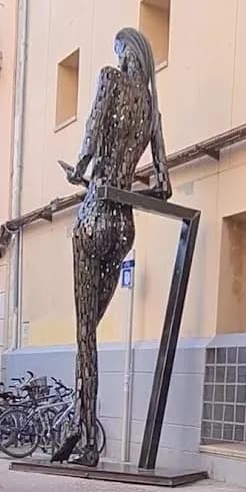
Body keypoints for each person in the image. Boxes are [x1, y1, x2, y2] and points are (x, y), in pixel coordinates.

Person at [56, 27, 171, 466]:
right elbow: (164, 181)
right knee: (90, 334)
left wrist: (80, 169)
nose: (118, 58)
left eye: (118, 51)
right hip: (124, 226)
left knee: (85, 335)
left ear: (126, 53)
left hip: (94, 216)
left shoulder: (110, 79)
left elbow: (91, 133)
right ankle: (76, 424)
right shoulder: (151, 106)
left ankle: (85, 440)